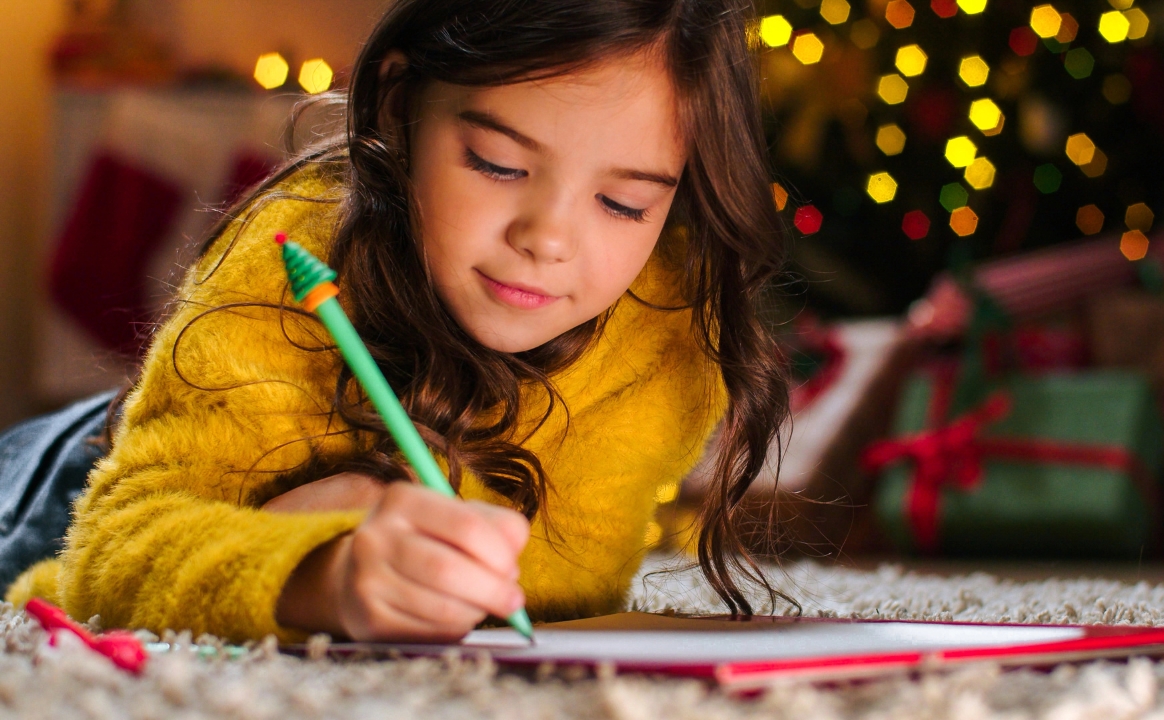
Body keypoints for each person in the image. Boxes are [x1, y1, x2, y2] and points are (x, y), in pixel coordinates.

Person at [5, 0, 790, 643]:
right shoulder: (287, 256)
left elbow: (569, 580)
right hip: (67, 481)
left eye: (624, 203)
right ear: (397, 101)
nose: (546, 238)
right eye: (497, 163)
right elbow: (108, 552)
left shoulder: (664, 330)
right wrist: (327, 571)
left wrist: (370, 508)